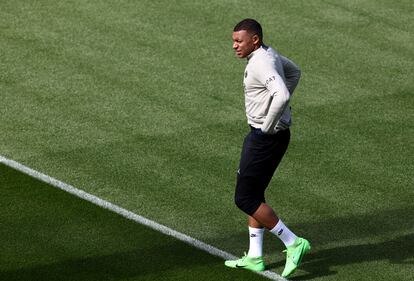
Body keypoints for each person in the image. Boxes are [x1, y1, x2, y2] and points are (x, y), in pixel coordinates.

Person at [224, 18, 310, 278]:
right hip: (271, 136)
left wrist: (268, 123)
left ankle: (293, 242)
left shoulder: (261, 63)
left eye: (239, 41)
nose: (234, 46)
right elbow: (294, 72)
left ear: (255, 40)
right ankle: (254, 256)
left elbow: (281, 94)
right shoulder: (268, 54)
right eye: (233, 41)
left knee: (245, 198)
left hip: (265, 137)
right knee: (255, 194)